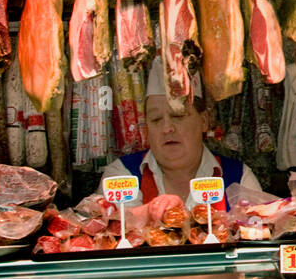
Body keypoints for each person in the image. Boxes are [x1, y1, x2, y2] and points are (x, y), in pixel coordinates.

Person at [100, 58, 261, 210]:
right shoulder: (121, 174)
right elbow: (107, 226)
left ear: (204, 121)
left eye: (178, 116)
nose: (166, 128)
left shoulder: (239, 178)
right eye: (156, 119)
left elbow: (260, 229)